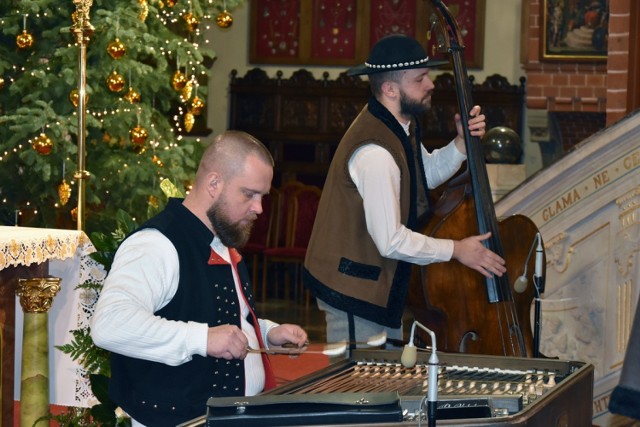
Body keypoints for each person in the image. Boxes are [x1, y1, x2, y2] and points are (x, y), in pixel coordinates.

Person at [303, 34, 506, 351]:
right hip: (354, 292)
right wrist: (457, 249)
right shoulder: (375, 151)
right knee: (357, 395)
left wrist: (461, 146)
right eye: (420, 78)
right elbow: (391, 240)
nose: (431, 84)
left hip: (377, 287)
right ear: (390, 89)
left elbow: (422, 175)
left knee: (379, 388)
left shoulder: (397, 126)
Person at [91, 130, 308, 426]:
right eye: (249, 194)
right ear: (214, 183)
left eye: (262, 197)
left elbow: (217, 313)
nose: (259, 208)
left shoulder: (221, 238)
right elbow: (109, 325)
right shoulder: (156, 244)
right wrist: (202, 338)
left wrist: (267, 333)